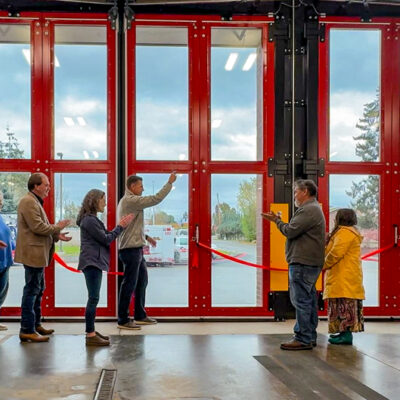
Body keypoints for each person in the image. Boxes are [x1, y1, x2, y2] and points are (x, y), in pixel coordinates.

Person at [262, 179, 326, 350]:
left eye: (296, 191)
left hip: (303, 263)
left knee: (301, 301)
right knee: (309, 299)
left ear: (305, 191)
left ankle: (303, 338)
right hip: (309, 262)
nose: (295, 195)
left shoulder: (308, 210)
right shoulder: (313, 209)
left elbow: (290, 231)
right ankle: (308, 335)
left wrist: (276, 221)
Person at [14, 173, 71, 343]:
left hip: (38, 254)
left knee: (38, 289)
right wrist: (56, 227)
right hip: (33, 255)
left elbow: (40, 229)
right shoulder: (28, 201)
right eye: (46, 185)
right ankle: (27, 329)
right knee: (31, 290)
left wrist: (56, 235)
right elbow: (38, 227)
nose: (48, 188)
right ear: (36, 186)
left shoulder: (34, 201)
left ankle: (35, 324)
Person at [117, 172, 177, 330]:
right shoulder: (131, 200)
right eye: (141, 186)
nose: (143, 189)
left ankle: (140, 315)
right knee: (129, 285)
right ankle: (123, 319)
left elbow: (132, 227)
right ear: (132, 187)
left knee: (142, 282)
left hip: (136, 248)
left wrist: (147, 237)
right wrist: (169, 183)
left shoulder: (130, 201)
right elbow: (155, 199)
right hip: (130, 250)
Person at [77, 189, 134, 346]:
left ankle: (92, 331)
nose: (105, 203)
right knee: (93, 298)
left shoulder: (92, 219)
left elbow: (105, 235)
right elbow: (106, 238)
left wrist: (118, 227)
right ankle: (90, 334)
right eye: (103, 200)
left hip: (93, 262)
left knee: (93, 298)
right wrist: (120, 226)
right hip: (92, 263)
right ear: (95, 201)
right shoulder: (89, 220)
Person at [323, 208, 365, 345]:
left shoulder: (345, 234)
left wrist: (322, 265)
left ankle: (346, 335)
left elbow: (335, 254)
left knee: (344, 306)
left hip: (343, 276)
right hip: (346, 276)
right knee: (342, 305)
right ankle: (342, 333)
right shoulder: (346, 232)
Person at [0, 191, 15, 331]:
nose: (1, 201)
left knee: (2, 291)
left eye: (1, 199)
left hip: (5, 260)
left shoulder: (1, 217)